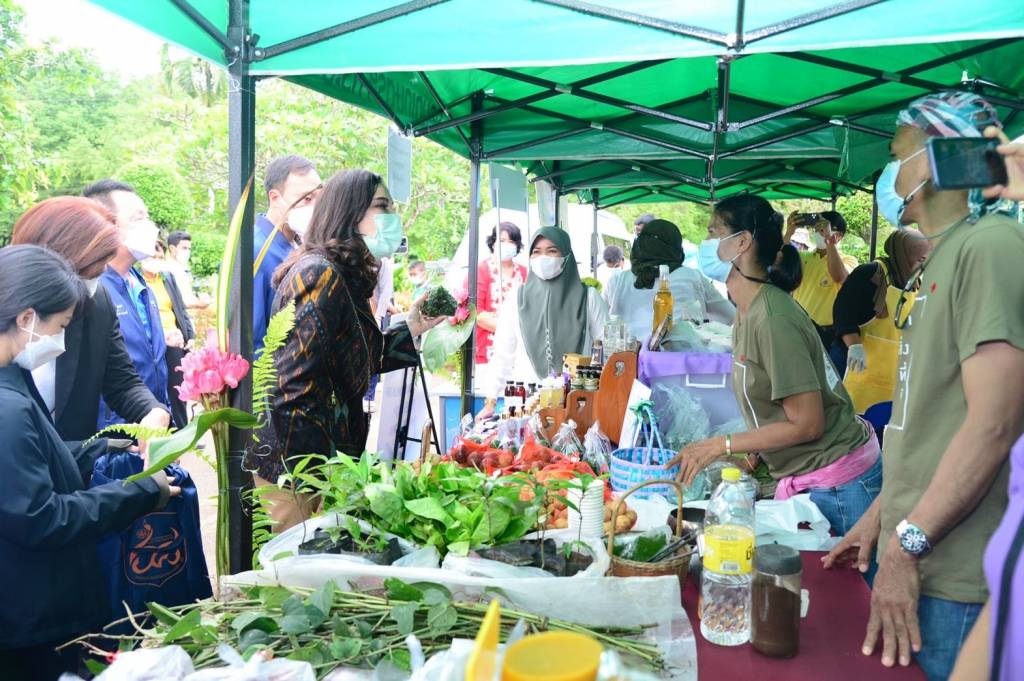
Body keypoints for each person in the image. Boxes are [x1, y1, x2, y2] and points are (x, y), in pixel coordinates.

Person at [823, 92, 1024, 681]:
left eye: (898, 154)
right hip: (915, 552)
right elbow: (932, 422)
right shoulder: (944, 256)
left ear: (938, 160)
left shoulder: (990, 247)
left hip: (950, 576)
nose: (891, 171)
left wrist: (908, 545)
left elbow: (993, 425)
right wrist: (878, 518)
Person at [0, 244, 176, 680]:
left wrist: (105, 445)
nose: (61, 343)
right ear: (26, 318)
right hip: (30, 616)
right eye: (60, 326)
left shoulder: (12, 377)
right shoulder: (7, 408)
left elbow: (33, 458)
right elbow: (41, 517)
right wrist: (139, 492)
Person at [670, 195, 880, 539]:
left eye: (712, 232)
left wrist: (720, 445)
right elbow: (774, 401)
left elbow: (808, 424)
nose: (705, 242)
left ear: (741, 242)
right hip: (816, 478)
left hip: (839, 487)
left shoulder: (772, 318)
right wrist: (752, 455)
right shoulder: (748, 309)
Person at [252, 170, 443, 531]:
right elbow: (291, 388)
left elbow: (360, 357)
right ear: (348, 212)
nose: (392, 217)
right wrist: (324, 478)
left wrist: (413, 327)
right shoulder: (318, 276)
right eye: (381, 206)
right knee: (294, 562)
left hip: (321, 469)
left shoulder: (343, 276)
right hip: (297, 473)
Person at [12, 194, 171, 441]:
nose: (96, 280)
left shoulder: (97, 302)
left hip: (71, 458)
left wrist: (153, 412)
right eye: (90, 272)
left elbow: (122, 382)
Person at [481, 226, 609, 418]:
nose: (543, 258)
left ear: (566, 255)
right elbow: (503, 354)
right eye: (536, 252)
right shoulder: (517, 298)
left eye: (552, 251)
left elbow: (608, 349)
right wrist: (490, 401)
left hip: (577, 403)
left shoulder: (588, 297)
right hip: (528, 404)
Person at [83, 180, 172, 429]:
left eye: (147, 216)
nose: (150, 226)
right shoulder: (90, 289)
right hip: (113, 433)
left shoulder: (140, 283)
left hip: (152, 422)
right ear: (105, 225)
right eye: (138, 218)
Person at [833, 230, 930, 414]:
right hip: (861, 379)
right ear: (906, 254)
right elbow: (843, 309)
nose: (924, 265)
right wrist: (854, 345)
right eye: (921, 259)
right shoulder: (871, 274)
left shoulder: (915, 284)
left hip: (895, 384)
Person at [604, 218, 734, 340]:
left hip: (625, 354)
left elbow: (605, 320)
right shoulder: (691, 276)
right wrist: (701, 322)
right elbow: (729, 315)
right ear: (676, 248)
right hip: (678, 355)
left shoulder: (619, 279)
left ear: (639, 245)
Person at [253, 155, 322, 352]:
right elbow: (254, 341)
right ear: (275, 198)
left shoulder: (299, 244)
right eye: (306, 199)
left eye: (319, 198)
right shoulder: (255, 251)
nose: (315, 207)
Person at [784, 210, 857, 349]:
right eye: (817, 228)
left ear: (839, 235)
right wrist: (789, 232)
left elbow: (839, 276)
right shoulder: (803, 257)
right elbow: (778, 258)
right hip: (799, 329)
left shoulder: (848, 260)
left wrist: (829, 239)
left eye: (823, 228)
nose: (819, 232)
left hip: (828, 334)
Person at [142, 241, 196, 428]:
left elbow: (180, 308)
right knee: (156, 390)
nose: (155, 261)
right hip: (153, 342)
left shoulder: (166, 278)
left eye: (159, 257)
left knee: (178, 390)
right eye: (151, 257)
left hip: (175, 342)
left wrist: (189, 335)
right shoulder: (136, 281)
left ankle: (182, 431)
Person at [471, 222, 528, 374]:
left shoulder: (525, 273)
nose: (506, 245)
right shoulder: (480, 270)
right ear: (493, 243)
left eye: (511, 241)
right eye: (502, 240)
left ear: (517, 245)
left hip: (519, 352)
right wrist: (512, 331)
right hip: (487, 350)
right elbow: (477, 314)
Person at [164, 230, 209, 313]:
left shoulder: (180, 269)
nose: (187, 252)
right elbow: (175, 302)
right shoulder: (168, 271)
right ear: (172, 248)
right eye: (184, 248)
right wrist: (198, 304)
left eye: (189, 249)